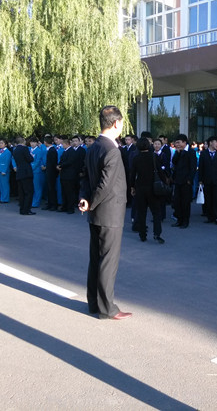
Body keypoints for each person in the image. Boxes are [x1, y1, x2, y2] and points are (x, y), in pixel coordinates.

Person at [79, 105, 131, 320]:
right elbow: (105, 185)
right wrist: (91, 202)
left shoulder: (93, 147)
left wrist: (85, 198)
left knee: (96, 259)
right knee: (108, 261)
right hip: (109, 213)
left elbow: (85, 177)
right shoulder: (112, 150)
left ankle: (94, 303)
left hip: (96, 213)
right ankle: (107, 308)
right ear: (116, 123)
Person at [130, 137, 164, 243]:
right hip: (153, 188)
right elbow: (160, 172)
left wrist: (132, 187)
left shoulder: (136, 158)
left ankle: (142, 235)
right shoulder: (153, 156)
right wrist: (164, 182)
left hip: (140, 188)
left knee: (141, 212)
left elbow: (132, 174)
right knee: (156, 212)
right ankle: (157, 234)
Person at [171, 134, 197, 229]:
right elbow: (174, 162)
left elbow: (193, 167)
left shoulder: (191, 152)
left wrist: (189, 180)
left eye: (178, 142)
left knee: (185, 203)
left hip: (186, 182)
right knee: (177, 202)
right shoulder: (177, 151)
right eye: (176, 143)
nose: (177, 145)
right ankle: (179, 220)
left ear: (184, 142)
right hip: (177, 180)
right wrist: (177, 153)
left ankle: (185, 221)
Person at [198, 136, 217, 226]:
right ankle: (210, 217)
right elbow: (201, 167)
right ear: (210, 143)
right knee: (208, 199)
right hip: (207, 180)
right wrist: (200, 179)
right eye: (215, 142)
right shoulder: (203, 154)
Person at [12, 136, 35, 215]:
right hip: (26, 172)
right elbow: (30, 159)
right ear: (23, 141)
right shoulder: (24, 149)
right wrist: (31, 156)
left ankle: (22, 209)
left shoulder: (15, 150)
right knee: (29, 192)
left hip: (19, 172)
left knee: (21, 192)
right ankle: (27, 209)